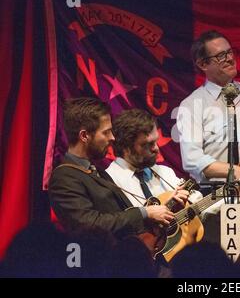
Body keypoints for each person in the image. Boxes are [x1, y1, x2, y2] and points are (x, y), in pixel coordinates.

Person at [176, 30, 240, 243]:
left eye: (230, 52)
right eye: (221, 56)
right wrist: (237, 171)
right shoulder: (191, 105)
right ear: (203, 64)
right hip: (215, 200)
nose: (230, 58)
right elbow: (192, 159)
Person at [48, 98, 165, 240]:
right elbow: (89, 225)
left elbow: (121, 213)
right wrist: (144, 213)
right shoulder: (64, 177)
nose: (113, 138)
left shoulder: (96, 171)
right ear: (84, 136)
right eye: (106, 132)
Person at [105, 108, 202, 227]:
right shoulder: (109, 181)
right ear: (126, 148)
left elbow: (196, 202)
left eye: (155, 142)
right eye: (147, 144)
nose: (156, 148)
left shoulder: (165, 172)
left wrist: (188, 202)